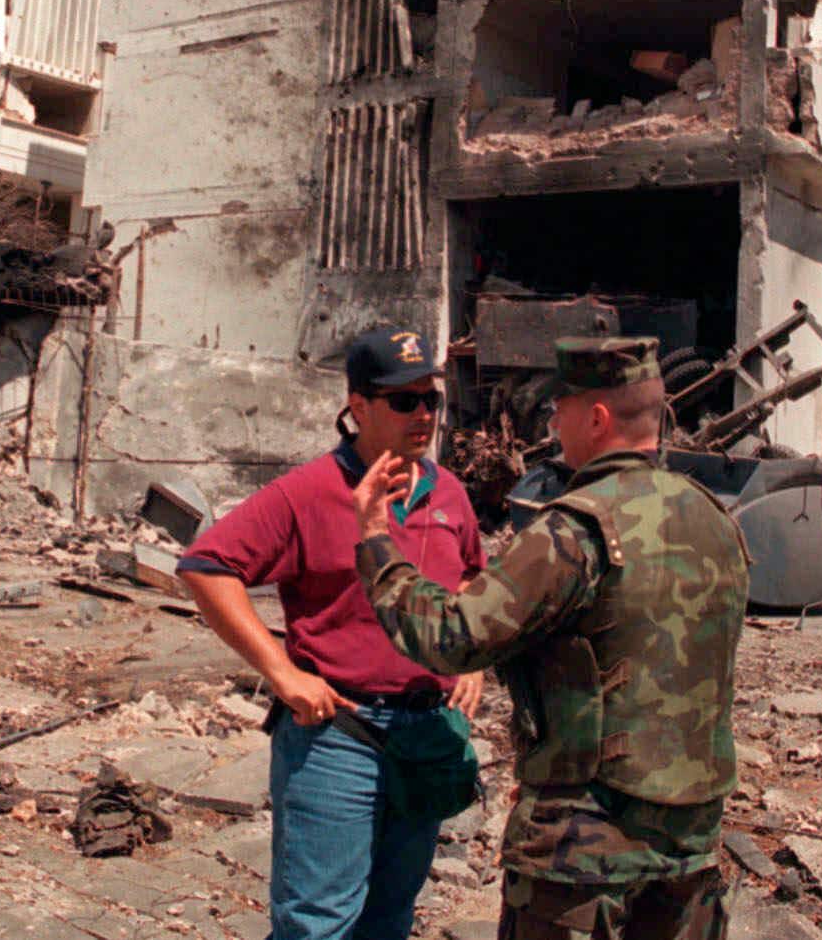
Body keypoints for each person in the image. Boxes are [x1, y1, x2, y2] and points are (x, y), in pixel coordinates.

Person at [351, 338, 750, 940]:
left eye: (559, 409)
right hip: (691, 845)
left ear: (597, 418)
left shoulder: (574, 530)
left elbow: (452, 637)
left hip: (583, 853)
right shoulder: (718, 521)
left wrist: (378, 538)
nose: (552, 422)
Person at [179, 325, 486, 940]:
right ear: (359, 406)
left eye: (432, 400)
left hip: (427, 734)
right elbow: (208, 566)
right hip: (338, 738)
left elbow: (475, 576)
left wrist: (472, 659)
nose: (423, 415)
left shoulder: (447, 491)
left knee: (390, 918)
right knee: (318, 923)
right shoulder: (311, 491)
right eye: (405, 401)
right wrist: (281, 672)